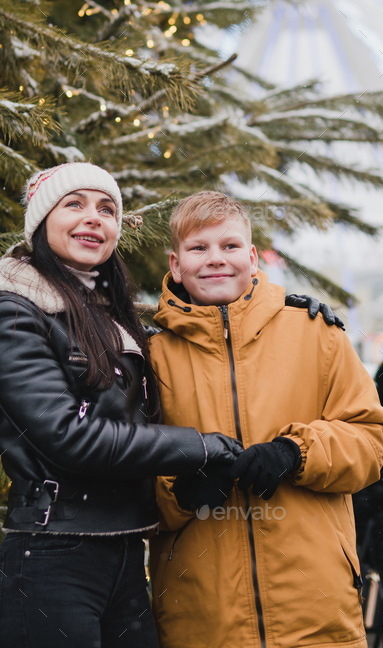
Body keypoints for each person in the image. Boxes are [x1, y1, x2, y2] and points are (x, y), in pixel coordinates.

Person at [0, 164, 242, 648]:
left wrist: (271, 310)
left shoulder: (106, 314)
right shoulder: (13, 315)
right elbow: (71, 438)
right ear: (40, 222)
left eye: (107, 208)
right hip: (51, 560)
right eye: (74, 204)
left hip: (123, 553)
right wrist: (199, 448)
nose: (93, 218)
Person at [148, 190, 383, 648]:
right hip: (201, 619)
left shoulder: (316, 334)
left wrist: (297, 452)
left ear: (253, 257)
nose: (216, 259)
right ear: (176, 265)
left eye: (229, 246)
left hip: (316, 611)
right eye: (199, 248)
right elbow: (122, 467)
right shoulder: (151, 358)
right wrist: (179, 491)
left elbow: (371, 439)